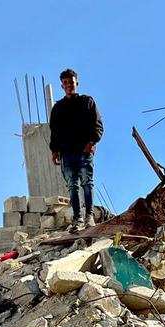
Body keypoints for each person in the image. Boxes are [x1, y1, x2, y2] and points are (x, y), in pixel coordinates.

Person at [49, 68, 104, 232]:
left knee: (87, 183)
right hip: (67, 153)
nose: (68, 85)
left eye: (71, 82)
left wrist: (92, 142)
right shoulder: (58, 109)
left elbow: (98, 124)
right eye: (65, 83)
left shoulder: (87, 102)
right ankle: (77, 218)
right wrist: (55, 151)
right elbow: (55, 132)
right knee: (72, 186)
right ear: (62, 86)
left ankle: (89, 216)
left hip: (84, 150)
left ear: (76, 83)